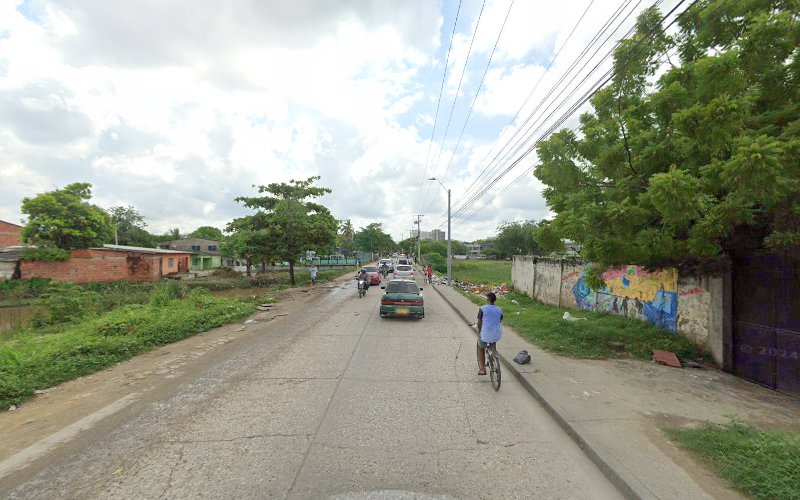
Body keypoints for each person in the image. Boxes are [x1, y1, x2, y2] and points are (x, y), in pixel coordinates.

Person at [476, 292, 503, 375]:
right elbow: (500, 319)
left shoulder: (483, 308)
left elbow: (479, 322)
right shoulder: (499, 309)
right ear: (495, 300)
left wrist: (479, 332)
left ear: (487, 299)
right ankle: (494, 355)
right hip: (497, 333)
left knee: (480, 347)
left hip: (486, 333)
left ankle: (482, 369)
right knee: (493, 340)